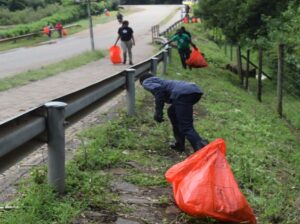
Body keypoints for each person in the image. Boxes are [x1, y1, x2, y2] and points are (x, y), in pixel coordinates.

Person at [139, 73, 209, 153]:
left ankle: (203, 150)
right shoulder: (160, 81)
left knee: (186, 126)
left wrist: (158, 112)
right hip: (194, 91)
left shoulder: (146, 82)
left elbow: (159, 91)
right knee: (172, 112)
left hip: (183, 94)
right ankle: (179, 145)